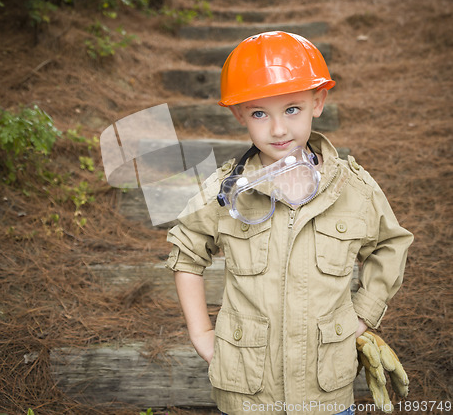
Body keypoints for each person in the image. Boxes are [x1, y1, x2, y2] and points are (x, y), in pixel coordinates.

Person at [165, 31, 413, 415]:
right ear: (239, 113)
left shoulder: (352, 187)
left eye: (292, 109)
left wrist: (363, 314)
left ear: (319, 101)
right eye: (260, 113)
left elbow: (390, 244)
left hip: (325, 391)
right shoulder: (226, 191)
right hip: (248, 393)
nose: (278, 129)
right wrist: (201, 333)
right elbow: (187, 250)